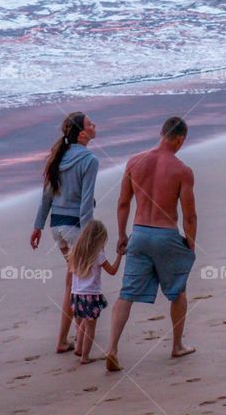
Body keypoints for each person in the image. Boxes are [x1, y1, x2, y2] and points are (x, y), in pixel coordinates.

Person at [105, 116, 197, 372]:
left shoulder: (135, 162)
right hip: (166, 235)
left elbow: (123, 203)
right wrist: (191, 244)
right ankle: (177, 345)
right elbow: (189, 215)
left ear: (161, 133)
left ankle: (112, 348)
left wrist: (122, 235)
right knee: (178, 291)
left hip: (140, 233)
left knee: (126, 294)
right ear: (180, 139)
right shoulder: (182, 170)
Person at [29, 112, 99, 354]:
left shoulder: (57, 157)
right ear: (81, 133)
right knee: (80, 283)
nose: (94, 126)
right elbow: (86, 202)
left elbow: (47, 197)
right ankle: (78, 342)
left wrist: (38, 227)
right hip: (75, 228)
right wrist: (89, 235)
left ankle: (66, 340)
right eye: (90, 124)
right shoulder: (89, 159)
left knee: (73, 281)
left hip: (57, 227)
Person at [67, 220, 122, 364]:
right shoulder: (98, 254)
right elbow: (113, 271)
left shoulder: (75, 251)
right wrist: (120, 256)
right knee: (90, 327)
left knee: (84, 321)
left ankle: (79, 348)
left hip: (76, 294)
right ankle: (85, 357)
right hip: (91, 294)